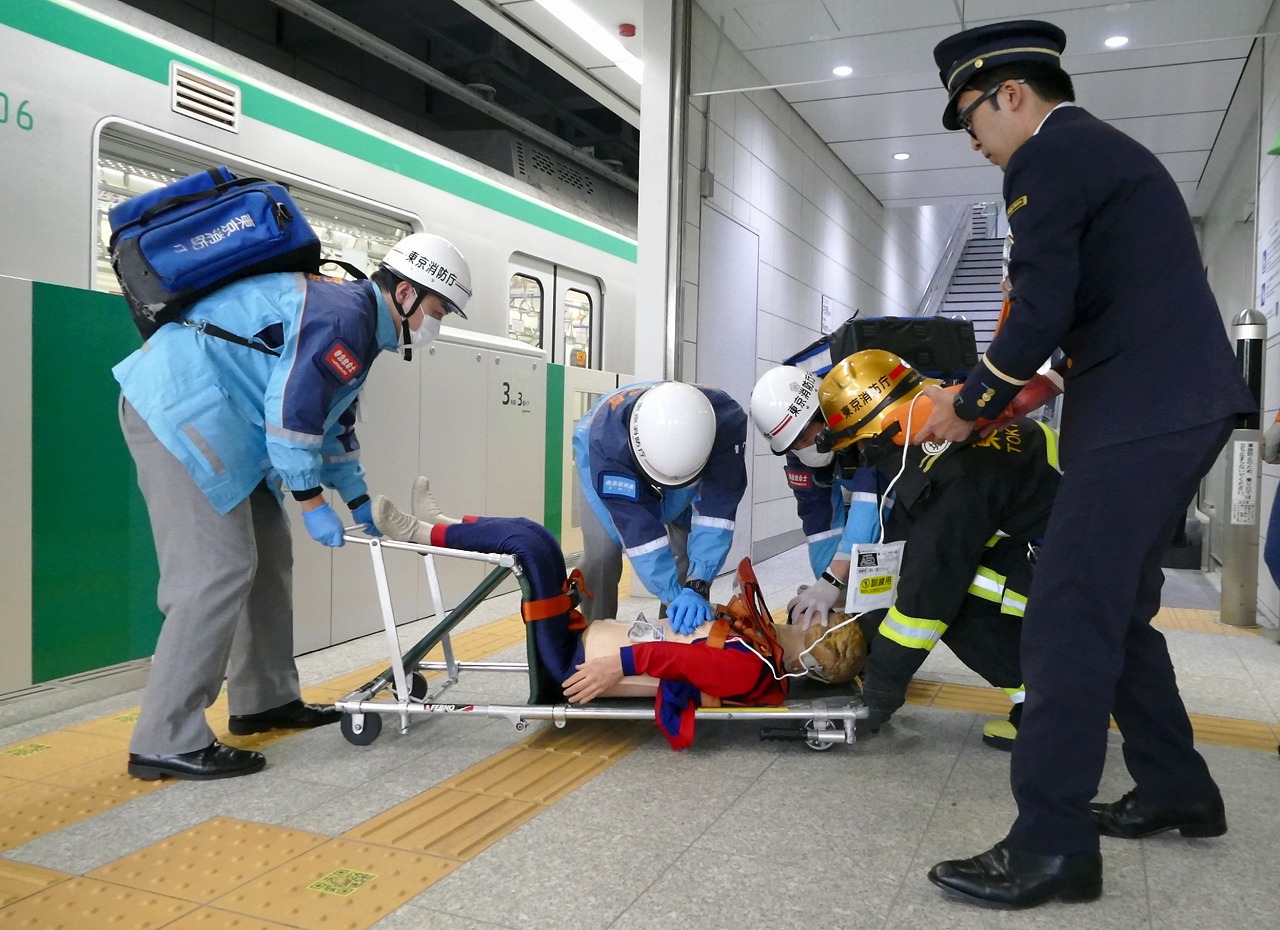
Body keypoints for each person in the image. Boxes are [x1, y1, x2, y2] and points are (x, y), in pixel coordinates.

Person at [918, 20, 1255, 909]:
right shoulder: (1098, 154)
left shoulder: (1047, 157)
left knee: (1064, 609)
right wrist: (1041, 385)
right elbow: (1114, 299)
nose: (980, 147)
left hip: (1146, 414)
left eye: (974, 121)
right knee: (1120, 612)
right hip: (1167, 401)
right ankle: (1179, 785)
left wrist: (971, 401)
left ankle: (1051, 844)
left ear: (1011, 96)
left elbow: (1039, 304)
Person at [114, 232, 472, 781]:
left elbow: (332, 426)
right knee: (215, 571)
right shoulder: (343, 316)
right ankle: (166, 737)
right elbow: (292, 414)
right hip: (179, 413)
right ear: (404, 292)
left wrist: (356, 502)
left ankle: (264, 700)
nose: (435, 323)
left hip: (228, 428)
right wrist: (310, 503)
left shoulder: (361, 324)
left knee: (269, 558)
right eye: (436, 308)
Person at [815, 350, 1061, 748]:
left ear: (881, 431)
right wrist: (861, 631)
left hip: (1072, 575)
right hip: (1076, 547)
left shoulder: (955, 476)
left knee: (952, 596)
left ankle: (1050, 711)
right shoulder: (959, 424)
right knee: (935, 578)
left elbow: (925, 597)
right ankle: (1054, 700)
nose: (864, 458)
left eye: (861, 446)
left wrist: (877, 694)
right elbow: (912, 550)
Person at [572, 381, 748, 634]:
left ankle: (676, 631)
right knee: (603, 554)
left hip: (692, 474)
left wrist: (696, 586)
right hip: (608, 456)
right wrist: (669, 592)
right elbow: (639, 533)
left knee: (688, 552)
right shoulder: (606, 443)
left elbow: (717, 513)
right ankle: (596, 633)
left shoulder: (726, 422)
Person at [749, 365, 882, 628]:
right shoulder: (795, 450)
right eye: (793, 445)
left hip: (898, 492)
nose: (802, 449)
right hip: (863, 492)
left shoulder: (866, 422)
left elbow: (873, 498)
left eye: (804, 438)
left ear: (823, 416)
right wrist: (827, 584)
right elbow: (818, 520)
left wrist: (835, 577)